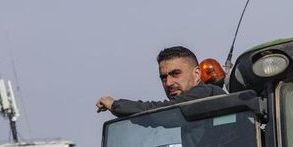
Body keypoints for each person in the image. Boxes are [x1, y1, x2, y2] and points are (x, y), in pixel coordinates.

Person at [96, 46, 225, 117]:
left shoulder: (206, 94)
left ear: (197, 74)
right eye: (163, 77)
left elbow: (158, 111)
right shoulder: (188, 112)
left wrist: (115, 105)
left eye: (176, 73)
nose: (168, 83)